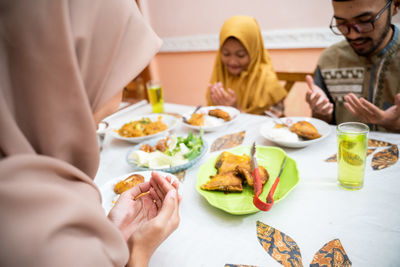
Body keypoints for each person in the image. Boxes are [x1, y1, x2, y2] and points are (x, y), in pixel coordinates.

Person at [0, 1, 180, 266]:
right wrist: (138, 252)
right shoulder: (54, 244)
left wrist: (112, 233)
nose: (122, 90)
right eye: (117, 71)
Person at [306, 0, 400, 132]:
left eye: (365, 21)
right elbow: (322, 128)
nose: (353, 34)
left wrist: (395, 125)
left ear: (395, 6)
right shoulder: (329, 59)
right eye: (341, 23)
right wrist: (321, 113)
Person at [206, 15, 287, 115]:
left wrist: (236, 111)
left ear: (254, 52)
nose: (232, 62)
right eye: (226, 54)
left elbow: (275, 122)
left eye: (241, 55)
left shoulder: (267, 81)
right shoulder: (221, 73)